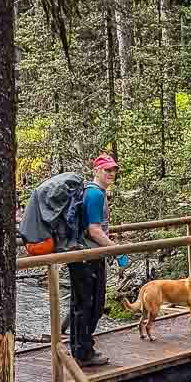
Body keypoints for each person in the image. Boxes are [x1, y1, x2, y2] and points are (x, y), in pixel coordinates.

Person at [68, 153, 120, 367]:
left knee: (83, 303)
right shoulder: (96, 194)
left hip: (83, 254)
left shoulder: (92, 192)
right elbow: (94, 230)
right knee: (91, 305)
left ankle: (80, 349)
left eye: (113, 170)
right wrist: (116, 249)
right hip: (88, 256)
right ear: (97, 170)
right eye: (107, 170)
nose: (111, 174)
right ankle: (84, 353)